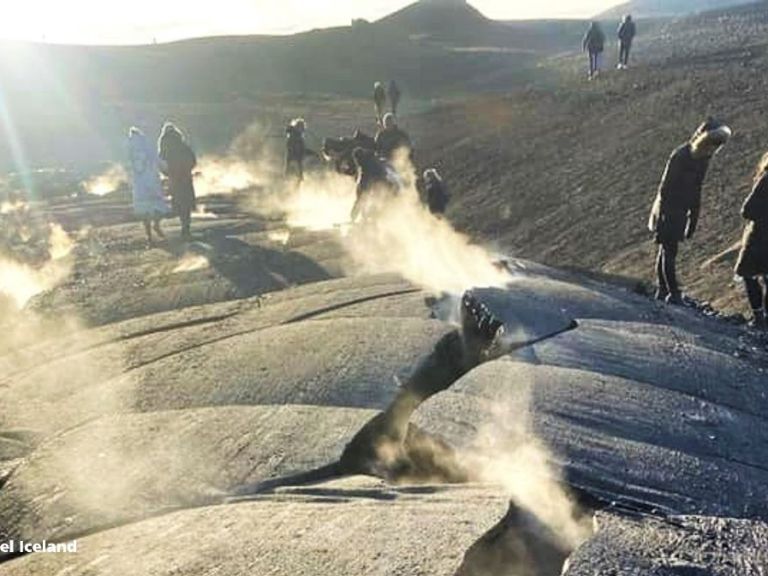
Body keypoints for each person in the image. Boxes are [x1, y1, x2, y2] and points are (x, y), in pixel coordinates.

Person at [648, 119, 732, 305]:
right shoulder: (680, 156)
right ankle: (673, 293)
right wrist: (666, 213)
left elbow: (697, 189)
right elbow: (665, 187)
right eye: (712, 145)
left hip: (681, 210)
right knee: (669, 250)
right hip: (668, 209)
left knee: (667, 250)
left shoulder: (703, 159)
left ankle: (663, 290)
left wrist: (693, 218)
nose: (713, 150)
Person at [735, 153, 768, 329]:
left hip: (759, 238)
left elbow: (747, 210)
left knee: (748, 274)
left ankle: (758, 317)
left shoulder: (765, 180)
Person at [128, 127, 167, 246]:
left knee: (147, 210)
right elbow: (158, 161)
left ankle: (150, 232)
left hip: (142, 183)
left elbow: (157, 161)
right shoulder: (144, 150)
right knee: (154, 207)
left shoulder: (133, 152)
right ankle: (154, 229)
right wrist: (166, 169)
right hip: (149, 181)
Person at [158, 122, 197, 241]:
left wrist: (167, 173)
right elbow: (193, 161)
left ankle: (178, 226)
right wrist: (187, 170)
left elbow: (161, 163)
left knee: (178, 203)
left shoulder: (164, 146)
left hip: (174, 179)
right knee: (187, 204)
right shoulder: (183, 146)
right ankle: (186, 230)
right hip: (186, 178)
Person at [350, 147, 399, 222]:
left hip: (380, 184)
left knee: (364, 199)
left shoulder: (365, 164)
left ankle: (366, 218)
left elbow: (363, 185)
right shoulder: (374, 159)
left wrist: (354, 215)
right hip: (386, 183)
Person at [285, 118, 316, 183]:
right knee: (295, 181)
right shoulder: (296, 137)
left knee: (292, 181)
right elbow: (299, 150)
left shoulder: (293, 136)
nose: (303, 129)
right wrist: (313, 153)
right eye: (302, 127)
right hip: (295, 162)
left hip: (292, 162)